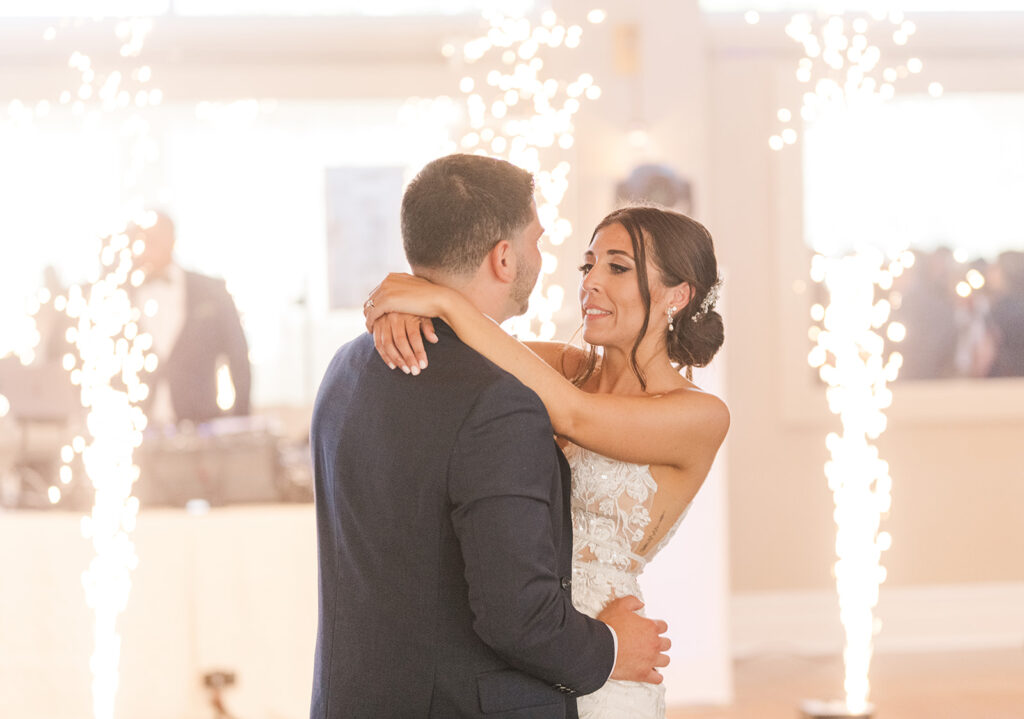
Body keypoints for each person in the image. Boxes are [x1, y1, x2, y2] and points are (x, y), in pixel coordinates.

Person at [309, 154, 670, 719]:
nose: (543, 258)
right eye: (537, 241)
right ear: (504, 257)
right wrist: (615, 647)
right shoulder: (500, 403)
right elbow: (517, 617)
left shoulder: (348, 368)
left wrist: (428, 301)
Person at [364, 203, 730, 718]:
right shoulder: (563, 367)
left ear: (678, 294)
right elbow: (458, 350)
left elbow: (576, 416)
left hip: (604, 656)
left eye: (617, 267)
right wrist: (405, 307)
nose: (591, 283)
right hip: (513, 645)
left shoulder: (699, 414)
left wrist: (442, 300)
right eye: (589, 265)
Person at [131, 212, 251, 426]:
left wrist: (238, 423)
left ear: (172, 239)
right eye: (141, 239)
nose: (146, 246)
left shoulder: (211, 291)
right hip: (132, 433)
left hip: (201, 429)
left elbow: (238, 358)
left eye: (154, 238)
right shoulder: (118, 297)